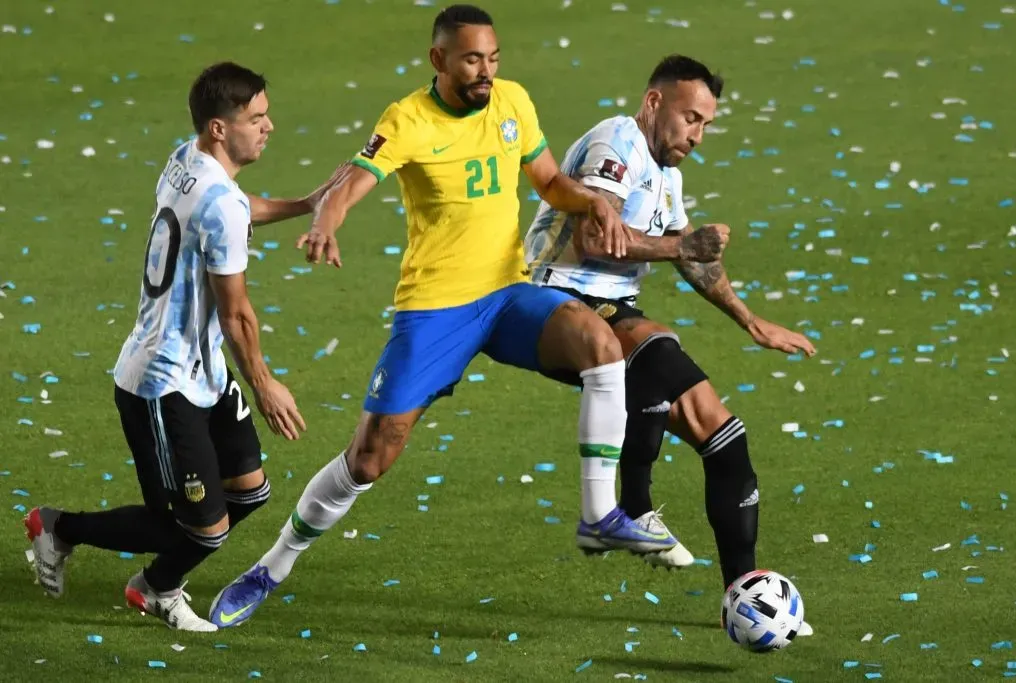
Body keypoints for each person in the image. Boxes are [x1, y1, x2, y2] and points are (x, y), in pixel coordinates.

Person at [207, 5, 698, 629]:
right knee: (370, 457)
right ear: (438, 60)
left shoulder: (513, 102)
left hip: (506, 295)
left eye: (492, 58)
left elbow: (550, 181)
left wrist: (592, 204)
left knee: (601, 344)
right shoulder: (408, 119)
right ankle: (272, 567)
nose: (486, 71)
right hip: (436, 310)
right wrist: (326, 220)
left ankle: (599, 514)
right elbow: (353, 182)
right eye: (471, 60)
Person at [523, 54, 817, 635]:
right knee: (657, 350)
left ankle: (745, 593)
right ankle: (632, 507)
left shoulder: (668, 177)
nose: (697, 135)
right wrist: (682, 246)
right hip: (556, 296)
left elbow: (693, 258)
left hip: (614, 308)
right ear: (654, 102)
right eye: (690, 118)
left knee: (725, 437)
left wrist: (750, 320)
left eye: (705, 124)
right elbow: (595, 238)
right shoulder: (617, 143)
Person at [24, 62, 310, 632]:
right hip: (162, 382)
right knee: (194, 528)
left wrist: (308, 203)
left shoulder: (187, 160)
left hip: (203, 373)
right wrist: (264, 384)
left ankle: (154, 583)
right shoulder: (218, 202)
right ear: (219, 129)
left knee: (247, 493)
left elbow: (235, 205)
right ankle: (66, 533)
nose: (269, 126)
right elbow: (236, 313)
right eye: (256, 117)